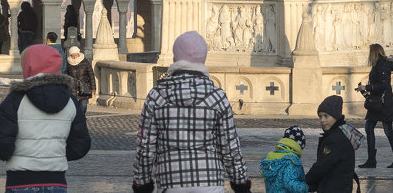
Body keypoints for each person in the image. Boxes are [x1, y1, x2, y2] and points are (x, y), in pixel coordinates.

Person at [131, 32, 249, 193]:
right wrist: (240, 182)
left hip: (171, 183)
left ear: (175, 58)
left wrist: (142, 182)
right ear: (203, 59)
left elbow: (145, 147)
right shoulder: (216, 97)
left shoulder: (156, 96)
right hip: (210, 184)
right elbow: (230, 147)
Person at [0, 43, 91, 192]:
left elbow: (1, 144)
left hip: (20, 181)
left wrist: (16, 154)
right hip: (57, 181)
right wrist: (55, 154)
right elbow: (81, 144)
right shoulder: (71, 100)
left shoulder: (15, 100)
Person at [357, 42, 393, 168]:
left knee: (388, 130)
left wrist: (367, 87)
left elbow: (384, 85)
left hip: (383, 103)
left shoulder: (382, 66)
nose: (369, 56)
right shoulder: (380, 65)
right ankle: (372, 160)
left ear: (374, 53)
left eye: (370, 53)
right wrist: (364, 88)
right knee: (369, 128)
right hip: (376, 103)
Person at [305, 96, 355, 193]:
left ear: (336, 116)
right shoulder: (336, 134)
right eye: (320, 116)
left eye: (326, 116)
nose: (322, 120)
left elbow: (322, 166)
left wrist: (305, 182)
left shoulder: (336, 139)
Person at [260, 125, 307, 193]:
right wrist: (305, 187)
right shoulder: (292, 160)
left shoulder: (269, 156)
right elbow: (289, 183)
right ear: (300, 146)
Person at [64, 46, 95, 113]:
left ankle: (82, 117)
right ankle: (77, 119)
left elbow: (91, 75)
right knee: (74, 106)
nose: (74, 57)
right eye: (73, 55)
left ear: (78, 54)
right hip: (72, 87)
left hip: (84, 86)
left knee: (83, 106)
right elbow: (66, 75)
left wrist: (93, 87)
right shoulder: (68, 63)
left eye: (76, 55)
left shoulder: (85, 62)